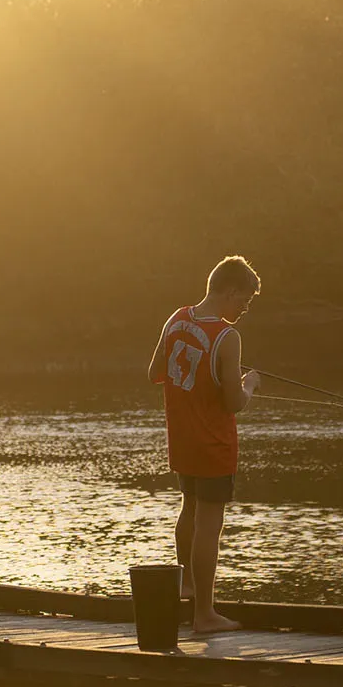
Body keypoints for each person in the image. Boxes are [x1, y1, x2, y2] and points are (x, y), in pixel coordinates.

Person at [149, 257, 262, 635]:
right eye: (243, 302)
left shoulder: (177, 318)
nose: (243, 311)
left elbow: (155, 372)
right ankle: (204, 615)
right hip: (214, 444)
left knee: (190, 510)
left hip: (182, 440)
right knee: (209, 525)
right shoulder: (228, 338)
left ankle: (187, 584)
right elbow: (234, 403)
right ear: (229, 291)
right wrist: (251, 384)